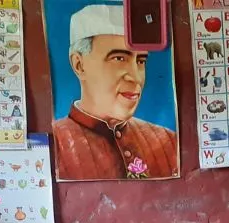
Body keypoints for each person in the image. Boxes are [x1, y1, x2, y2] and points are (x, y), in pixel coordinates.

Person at [52, 2, 179, 180]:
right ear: (79, 65)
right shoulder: (55, 143)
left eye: (141, 61)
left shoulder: (168, 141)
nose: (135, 77)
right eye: (119, 58)